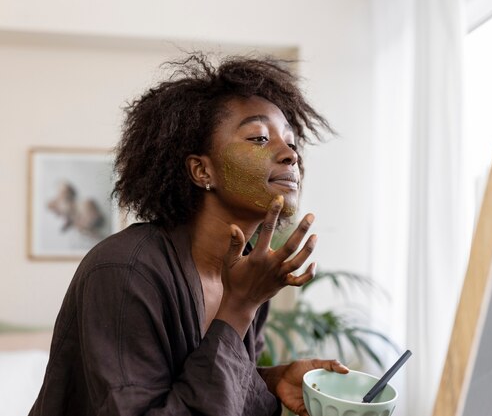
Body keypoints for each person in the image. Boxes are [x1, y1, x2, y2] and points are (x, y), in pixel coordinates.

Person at [29, 53, 349, 416]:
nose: (290, 155)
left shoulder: (247, 274)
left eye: (291, 142)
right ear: (201, 170)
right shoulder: (124, 270)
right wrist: (238, 308)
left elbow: (203, 386)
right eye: (259, 138)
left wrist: (272, 380)